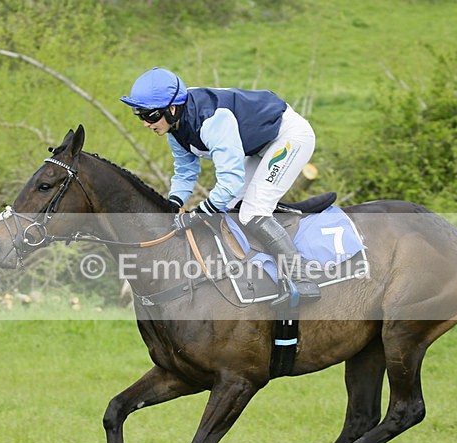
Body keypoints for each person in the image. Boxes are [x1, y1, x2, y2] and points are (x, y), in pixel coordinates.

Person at [120, 67, 320, 306]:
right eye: (139, 115)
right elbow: (185, 172)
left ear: (172, 109)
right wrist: (172, 204)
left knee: (253, 211)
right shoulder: (175, 127)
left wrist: (199, 212)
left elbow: (230, 179)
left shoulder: (212, 120)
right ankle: (259, 272)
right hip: (257, 146)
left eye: (150, 116)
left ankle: (302, 279)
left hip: (288, 137)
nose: (145, 123)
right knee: (233, 208)